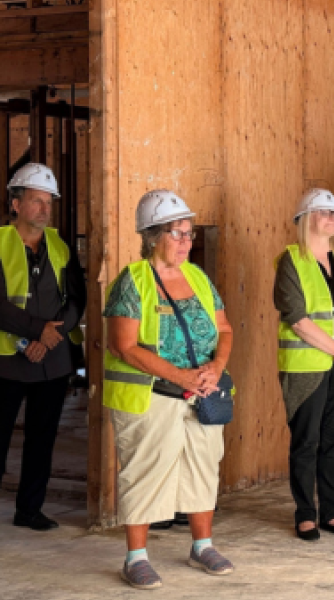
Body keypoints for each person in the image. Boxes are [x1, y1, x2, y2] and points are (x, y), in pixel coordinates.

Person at [104, 190, 235, 589]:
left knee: (202, 467)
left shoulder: (198, 276)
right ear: (152, 235)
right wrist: (181, 378)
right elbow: (123, 346)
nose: (186, 241)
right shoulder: (132, 281)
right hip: (152, 397)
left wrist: (215, 367)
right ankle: (136, 557)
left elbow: (224, 329)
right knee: (146, 470)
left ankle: (202, 545)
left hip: (202, 393)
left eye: (189, 234)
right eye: (177, 233)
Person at [273, 188, 334, 542]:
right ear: (304, 219)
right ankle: (305, 514)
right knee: (307, 440)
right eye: (324, 212)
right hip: (306, 368)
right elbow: (298, 319)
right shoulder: (291, 261)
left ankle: (330, 511)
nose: (332, 219)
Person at [0, 163, 86, 531]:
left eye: (48, 202)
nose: (44, 209)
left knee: (42, 439)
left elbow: (77, 298)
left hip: (52, 361)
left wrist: (54, 333)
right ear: (15, 204)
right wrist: (38, 332)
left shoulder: (59, 245)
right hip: (6, 360)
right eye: (35, 201)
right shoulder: (0, 242)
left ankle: (29, 510)